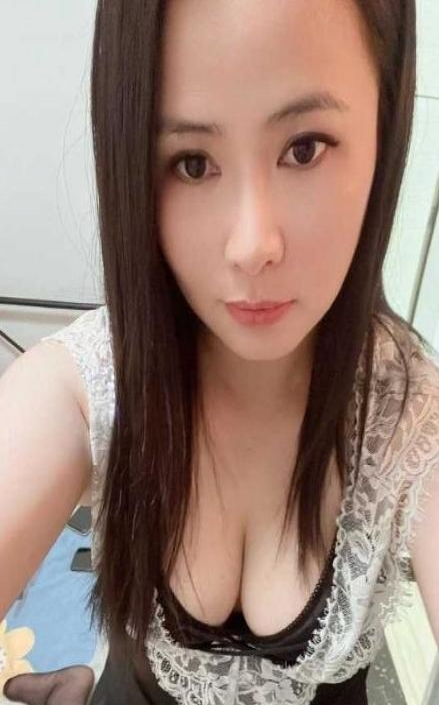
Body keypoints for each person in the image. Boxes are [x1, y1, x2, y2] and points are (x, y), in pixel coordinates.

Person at [1, 1, 439, 703]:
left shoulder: (411, 422)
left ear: (384, 126)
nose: (251, 245)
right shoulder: (86, 386)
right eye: (192, 163)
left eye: (304, 147)